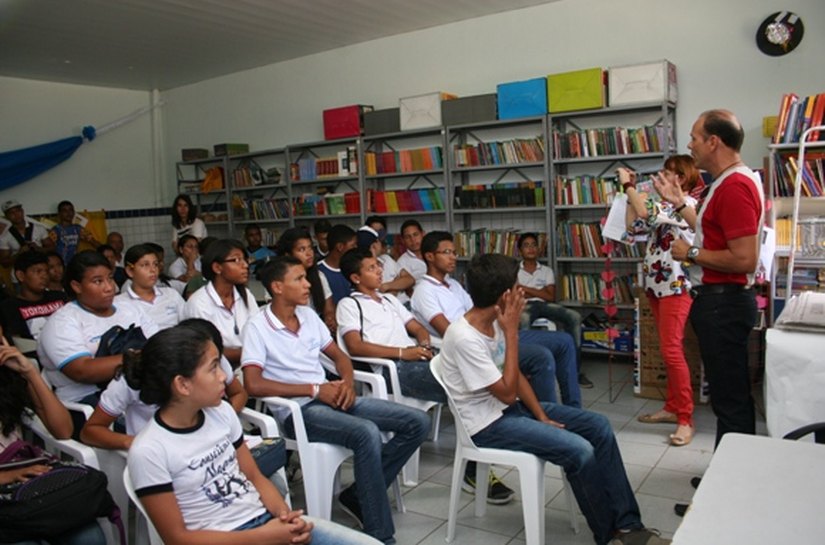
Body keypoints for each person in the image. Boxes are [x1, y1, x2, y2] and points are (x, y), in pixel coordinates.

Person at [439, 253, 670, 545]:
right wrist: (511, 334)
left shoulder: (495, 320)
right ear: (505, 295)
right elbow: (508, 391)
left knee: (598, 426)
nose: (522, 291)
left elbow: (516, 377)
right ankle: (609, 535)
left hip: (509, 410)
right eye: (517, 286)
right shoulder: (464, 337)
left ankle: (628, 526)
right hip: (486, 426)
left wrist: (542, 414)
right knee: (580, 451)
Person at [124, 324, 380, 545]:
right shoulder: (150, 450)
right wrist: (267, 537)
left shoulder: (221, 413)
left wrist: (285, 517)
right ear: (182, 384)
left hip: (265, 523)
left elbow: (254, 476)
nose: (224, 376)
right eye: (213, 368)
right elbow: (178, 539)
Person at [241, 256, 429, 545]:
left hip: (331, 396)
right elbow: (253, 383)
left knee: (416, 421)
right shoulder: (258, 326)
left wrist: (347, 384)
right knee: (365, 432)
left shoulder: (307, 316)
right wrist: (315, 389)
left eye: (307, 278)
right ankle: (381, 535)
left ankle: (358, 495)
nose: (308, 285)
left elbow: (340, 356)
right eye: (300, 279)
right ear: (277, 287)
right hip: (299, 412)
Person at [656, 110, 764, 447]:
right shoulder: (729, 182)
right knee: (727, 395)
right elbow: (711, 229)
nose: (690, 146)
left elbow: (745, 258)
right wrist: (678, 203)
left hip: (724, 304)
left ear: (713, 141)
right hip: (719, 303)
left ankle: (733, 482)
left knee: (729, 399)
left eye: (695, 138)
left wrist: (689, 253)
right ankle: (727, 470)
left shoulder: (734, 187)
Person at [411, 231, 580, 407]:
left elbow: (479, 309)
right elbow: (448, 331)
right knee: (541, 357)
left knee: (565, 341)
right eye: (447, 252)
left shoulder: (453, 284)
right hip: (477, 343)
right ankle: (548, 413)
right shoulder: (424, 291)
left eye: (454, 252)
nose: (453, 257)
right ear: (430, 256)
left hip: (494, 332)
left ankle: (572, 408)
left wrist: (506, 322)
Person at [621, 156, 703, 447]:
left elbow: (644, 211)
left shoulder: (688, 206)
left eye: (668, 173)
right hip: (657, 286)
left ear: (681, 178)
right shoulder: (665, 208)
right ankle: (672, 407)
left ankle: (685, 419)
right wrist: (629, 197)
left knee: (671, 350)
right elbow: (633, 227)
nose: (661, 177)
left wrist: (629, 186)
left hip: (677, 287)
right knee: (669, 350)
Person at [80, 319, 247, 451]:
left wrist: (225, 420)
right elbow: (90, 431)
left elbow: (239, 393)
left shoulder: (212, 359)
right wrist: (136, 444)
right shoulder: (134, 378)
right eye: (212, 367)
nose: (222, 375)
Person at [0, 337, 106, 545]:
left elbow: (63, 430)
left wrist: (29, 373)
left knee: (89, 538)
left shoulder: (8, 378)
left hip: (24, 487)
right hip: (9, 486)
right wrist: (6, 476)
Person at [37, 251, 159, 416]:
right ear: (77, 286)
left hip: (137, 388)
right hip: (85, 401)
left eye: (110, 278)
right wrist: (142, 356)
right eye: (98, 281)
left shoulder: (130, 308)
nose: (109, 287)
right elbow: (81, 370)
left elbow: (158, 342)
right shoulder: (62, 322)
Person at [337, 248, 442, 403]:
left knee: (461, 369)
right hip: (389, 369)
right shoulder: (349, 305)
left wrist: (424, 346)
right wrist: (401, 353)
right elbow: (354, 346)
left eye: (378, 265)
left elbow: (418, 328)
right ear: (356, 278)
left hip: (413, 358)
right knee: (455, 381)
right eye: (371, 268)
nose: (380, 271)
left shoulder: (389, 300)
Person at [516, 232, 593, 389]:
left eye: (533, 245)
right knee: (523, 319)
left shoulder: (546, 270)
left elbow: (550, 296)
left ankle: (575, 372)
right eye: (526, 245)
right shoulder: (514, 271)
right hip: (524, 306)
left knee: (574, 317)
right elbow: (516, 293)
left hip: (545, 305)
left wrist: (525, 288)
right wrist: (539, 291)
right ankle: (527, 372)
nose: (530, 248)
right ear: (520, 251)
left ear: (538, 249)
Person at [183, 239, 259, 368]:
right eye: (236, 260)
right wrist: (250, 353)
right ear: (217, 267)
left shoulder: (245, 295)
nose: (245, 265)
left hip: (251, 362)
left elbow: (259, 331)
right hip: (216, 368)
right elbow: (203, 350)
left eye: (245, 260)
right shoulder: (198, 304)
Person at [275, 227, 335, 332]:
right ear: (288, 255)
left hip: (317, 331)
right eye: (301, 249)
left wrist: (329, 319)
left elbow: (329, 309)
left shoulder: (319, 276)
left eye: (310, 248)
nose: (309, 253)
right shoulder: (278, 280)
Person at [115, 243, 185, 330]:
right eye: (145, 265)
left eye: (155, 264)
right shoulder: (119, 304)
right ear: (130, 271)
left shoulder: (171, 295)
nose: (153, 270)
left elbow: (189, 325)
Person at [0, 251, 67, 342]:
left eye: (46, 271)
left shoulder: (60, 297)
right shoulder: (9, 307)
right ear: (21, 276)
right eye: (38, 271)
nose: (44, 276)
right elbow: (17, 342)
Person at [356, 226, 415, 296]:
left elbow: (410, 280)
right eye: (380, 241)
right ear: (374, 246)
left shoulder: (386, 259)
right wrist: (397, 284)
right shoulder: (362, 268)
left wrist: (387, 286)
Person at [0, 199, 53, 271]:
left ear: (22, 211)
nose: (16, 215)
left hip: (41, 271)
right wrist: (19, 254)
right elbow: (4, 263)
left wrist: (38, 249)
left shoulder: (39, 228)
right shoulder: (5, 237)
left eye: (18, 211)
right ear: (6, 216)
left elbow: (53, 248)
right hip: (21, 275)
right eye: (11, 213)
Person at [317, 224, 357, 304]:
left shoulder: (355, 267)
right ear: (340, 247)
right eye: (353, 245)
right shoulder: (319, 271)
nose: (356, 248)